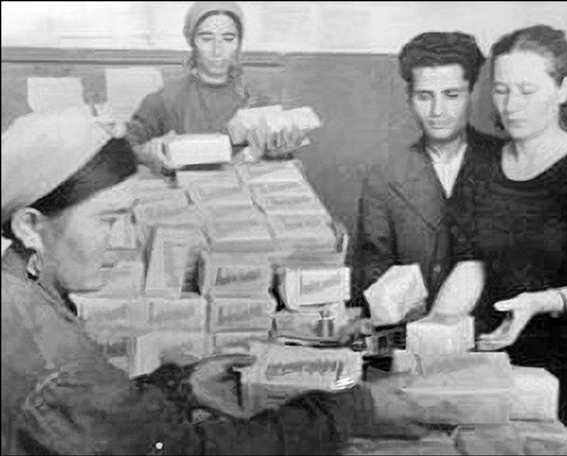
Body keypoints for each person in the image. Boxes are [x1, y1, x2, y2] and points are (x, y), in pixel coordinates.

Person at [0, 106, 431, 455]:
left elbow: (95, 422)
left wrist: (180, 387)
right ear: (29, 226)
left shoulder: (21, 290)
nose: (118, 244)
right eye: (107, 221)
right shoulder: (55, 362)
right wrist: (350, 411)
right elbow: (186, 451)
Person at [429, 25, 567, 425]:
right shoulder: (479, 166)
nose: (511, 105)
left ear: (563, 89)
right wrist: (432, 334)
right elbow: (472, 264)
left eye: (527, 91)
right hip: (491, 358)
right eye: (501, 90)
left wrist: (542, 301)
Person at [349, 32, 502, 315]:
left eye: (451, 95)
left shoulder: (507, 161)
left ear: (473, 93)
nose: (436, 111)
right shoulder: (384, 178)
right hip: (413, 333)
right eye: (424, 96)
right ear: (409, 98)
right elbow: (372, 279)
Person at [127, 1, 305, 172]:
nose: (217, 50)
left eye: (228, 39)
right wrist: (146, 153)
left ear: (239, 43)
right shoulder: (166, 98)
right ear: (192, 41)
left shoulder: (256, 98)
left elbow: (274, 162)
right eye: (206, 39)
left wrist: (279, 150)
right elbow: (127, 145)